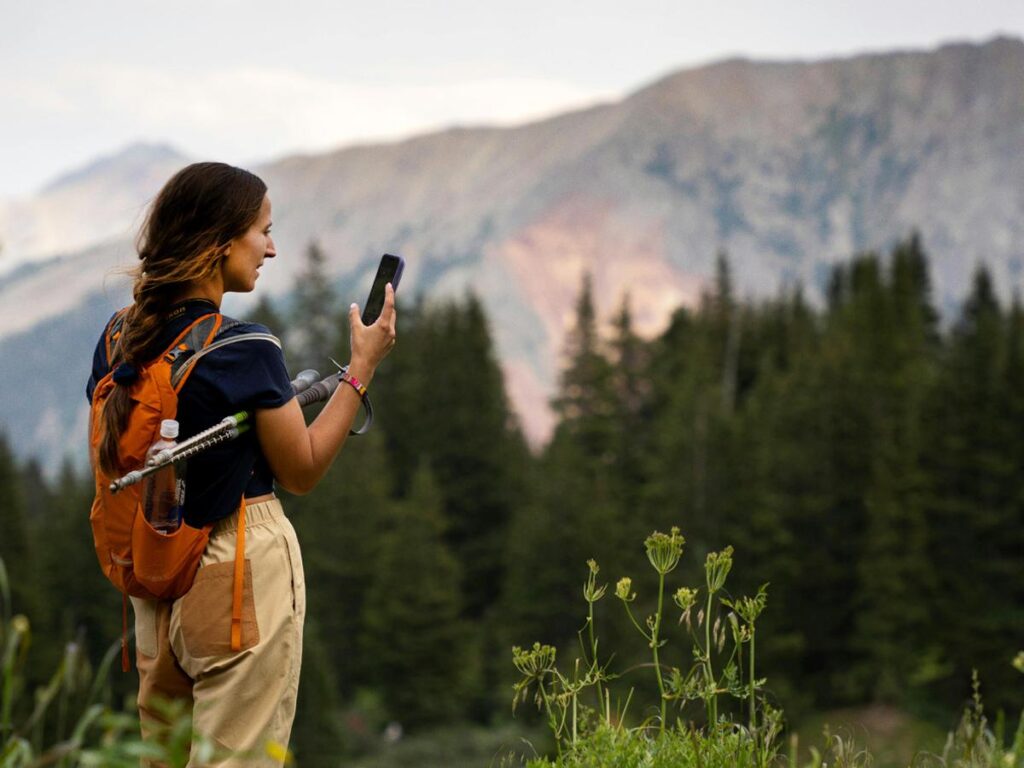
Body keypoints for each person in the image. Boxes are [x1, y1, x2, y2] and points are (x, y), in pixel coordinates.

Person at [86, 162, 396, 766]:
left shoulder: (117, 337)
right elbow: (301, 469)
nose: (272, 248)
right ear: (221, 242)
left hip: (153, 574)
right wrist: (361, 369)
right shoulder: (244, 346)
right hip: (237, 572)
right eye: (263, 231)